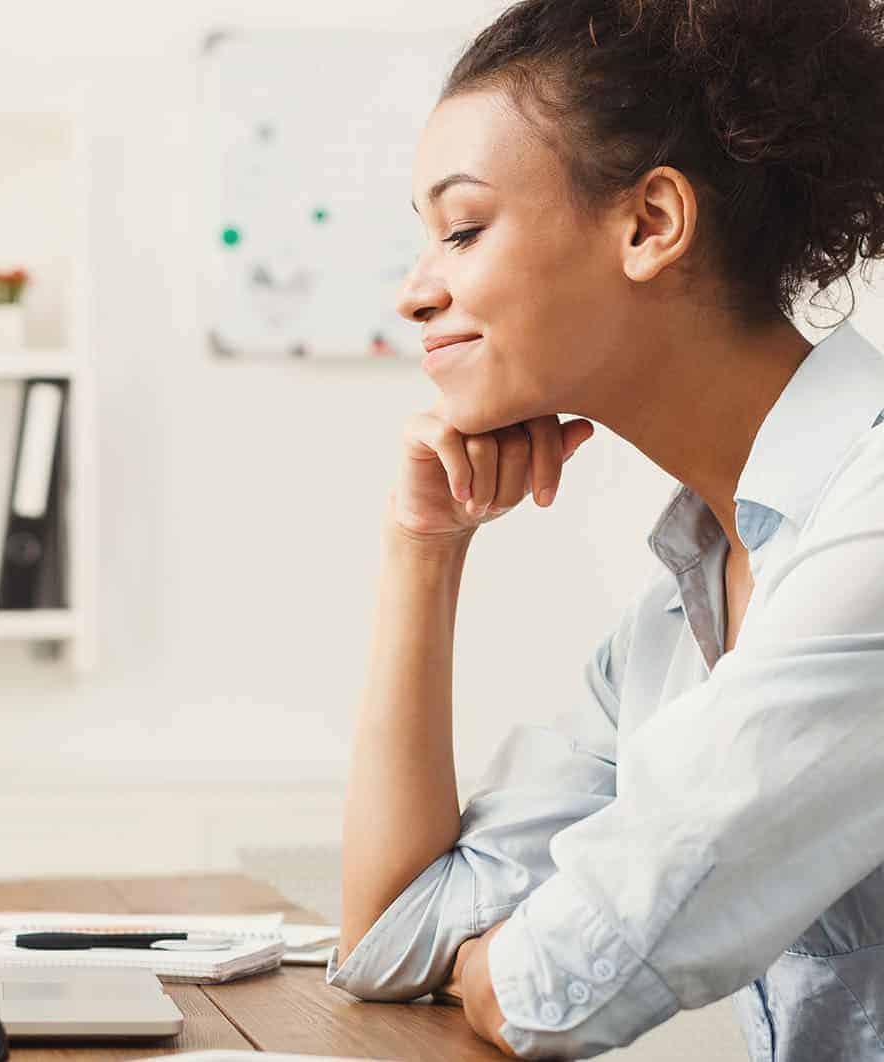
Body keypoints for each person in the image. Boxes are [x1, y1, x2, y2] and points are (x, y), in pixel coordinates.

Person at [330, 1, 884, 1059]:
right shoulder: (674, 627)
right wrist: (425, 549)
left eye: (463, 227)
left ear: (650, 225)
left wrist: (503, 963)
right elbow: (390, 941)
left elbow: (553, 991)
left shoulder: (872, 528)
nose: (415, 291)